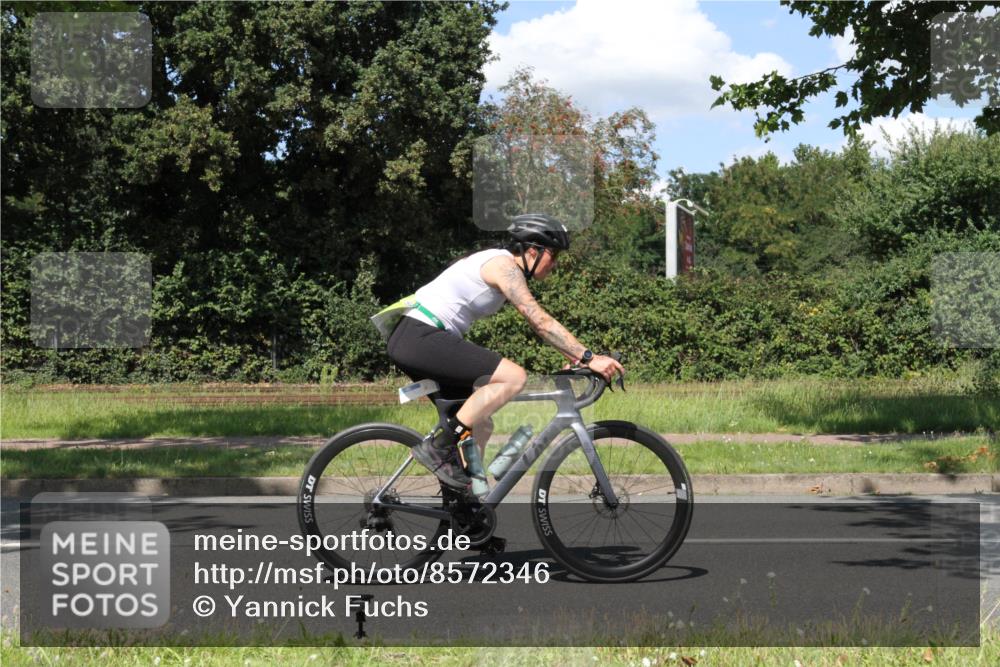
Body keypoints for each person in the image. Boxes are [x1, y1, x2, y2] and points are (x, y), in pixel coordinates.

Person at [384, 213, 625, 491]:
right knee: (513, 378)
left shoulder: (502, 265)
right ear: (532, 250)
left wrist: (573, 356)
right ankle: (440, 449)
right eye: (553, 254)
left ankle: (466, 519)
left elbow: (540, 327)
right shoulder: (503, 266)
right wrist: (588, 357)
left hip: (419, 337)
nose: (555, 263)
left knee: (480, 426)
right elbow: (539, 321)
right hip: (420, 336)